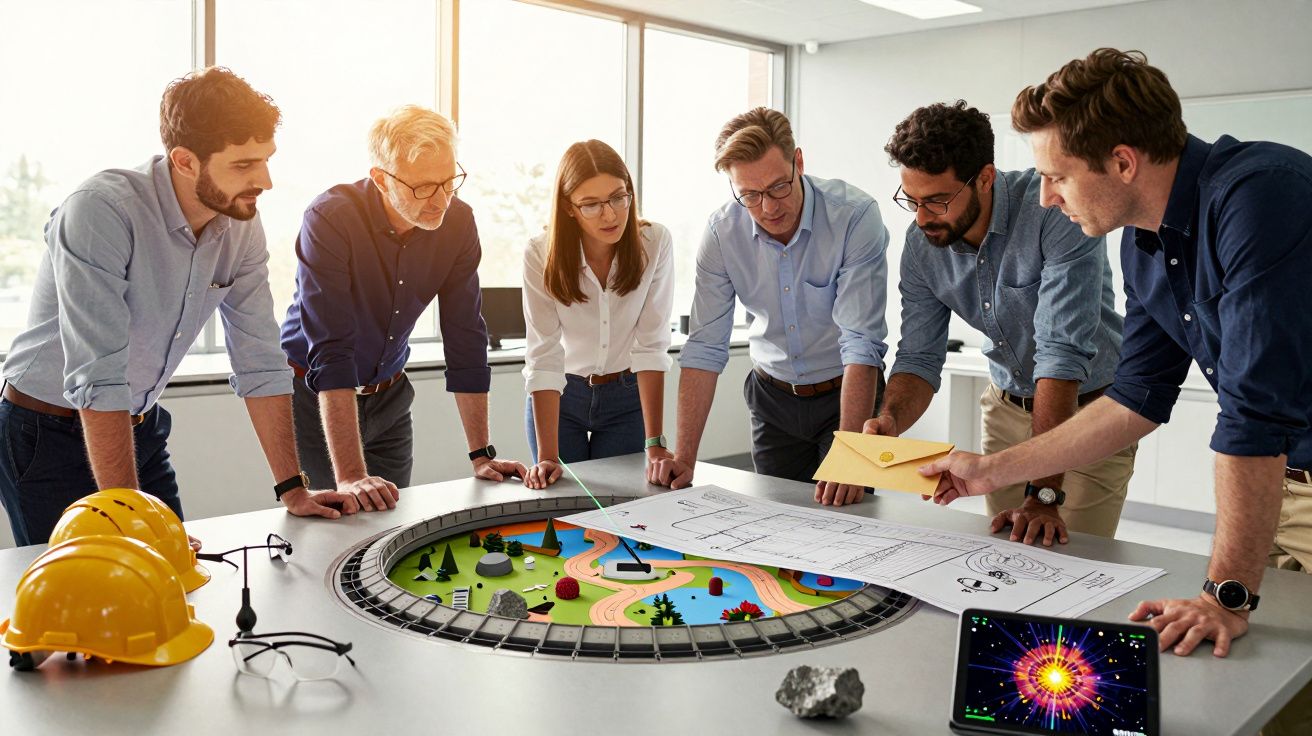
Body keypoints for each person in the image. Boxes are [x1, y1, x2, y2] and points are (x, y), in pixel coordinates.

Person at [920, 49, 1312, 733]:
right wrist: (992, 471)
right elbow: (1136, 397)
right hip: (1282, 482)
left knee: (1280, 691)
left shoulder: (1261, 196)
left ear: (1123, 162)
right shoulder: (1143, 241)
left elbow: (1253, 413)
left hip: (1288, 469)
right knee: (1265, 693)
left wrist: (1224, 595)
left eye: (1056, 176)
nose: (1046, 197)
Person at [0, 67, 355, 547]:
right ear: (185, 161)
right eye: (243, 165)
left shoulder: (241, 222)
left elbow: (259, 359)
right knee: (90, 581)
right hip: (44, 433)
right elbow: (99, 375)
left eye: (266, 160)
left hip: (139, 427)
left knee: (173, 574)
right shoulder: (100, 210)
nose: (265, 181)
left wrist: (293, 489)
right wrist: (131, 520)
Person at [874, 100, 1131, 546]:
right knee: (1005, 557)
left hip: (1087, 412)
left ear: (985, 178)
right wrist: (891, 420)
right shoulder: (921, 245)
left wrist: (1044, 492)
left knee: (1069, 559)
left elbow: (1060, 354)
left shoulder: (1055, 211)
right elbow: (918, 356)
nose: (922, 218)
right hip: (1006, 409)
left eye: (937, 201)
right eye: (911, 200)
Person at [281, 105, 527, 510]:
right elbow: (331, 348)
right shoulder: (330, 217)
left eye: (449, 182)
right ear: (381, 179)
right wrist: (350, 475)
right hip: (314, 396)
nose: (440, 200)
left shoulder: (458, 223)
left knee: (393, 524)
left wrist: (481, 455)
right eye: (424, 187)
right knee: (334, 524)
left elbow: (466, 336)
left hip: (390, 396)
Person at [651, 107, 890, 507]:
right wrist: (684, 458)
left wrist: (851, 456)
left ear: (799, 162)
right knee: (775, 521)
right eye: (750, 195)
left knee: (847, 519)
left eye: (779, 187)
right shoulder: (722, 233)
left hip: (844, 395)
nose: (768, 207)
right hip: (772, 399)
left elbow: (861, 343)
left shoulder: (853, 216)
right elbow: (706, 346)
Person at [520, 140, 675, 489]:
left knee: (622, 505)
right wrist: (547, 457)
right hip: (562, 396)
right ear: (568, 207)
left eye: (618, 197)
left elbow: (651, 345)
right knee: (563, 502)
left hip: (626, 396)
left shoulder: (654, 242)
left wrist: (655, 444)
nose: (610, 215)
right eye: (590, 204)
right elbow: (544, 356)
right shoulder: (540, 253)